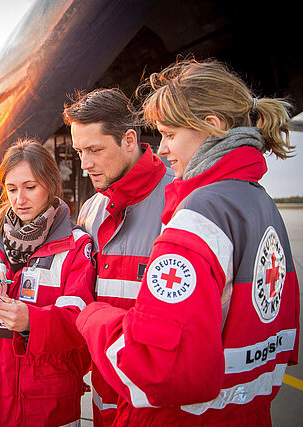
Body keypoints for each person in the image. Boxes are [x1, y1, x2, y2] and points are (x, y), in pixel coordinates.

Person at [76, 59, 300, 425]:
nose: (163, 149)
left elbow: (157, 372)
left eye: (169, 134)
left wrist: (93, 317)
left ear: (211, 126)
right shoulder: (261, 204)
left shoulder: (198, 215)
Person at [0, 139, 96, 426]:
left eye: (30, 187)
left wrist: (30, 322)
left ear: (50, 185)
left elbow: (81, 321)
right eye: (12, 189)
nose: (19, 199)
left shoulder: (76, 245)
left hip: (46, 400)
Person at [63, 88, 174, 426]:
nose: (85, 165)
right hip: (105, 395)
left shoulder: (181, 203)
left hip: (158, 403)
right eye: (80, 151)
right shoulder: (91, 211)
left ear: (129, 140)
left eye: (95, 150)